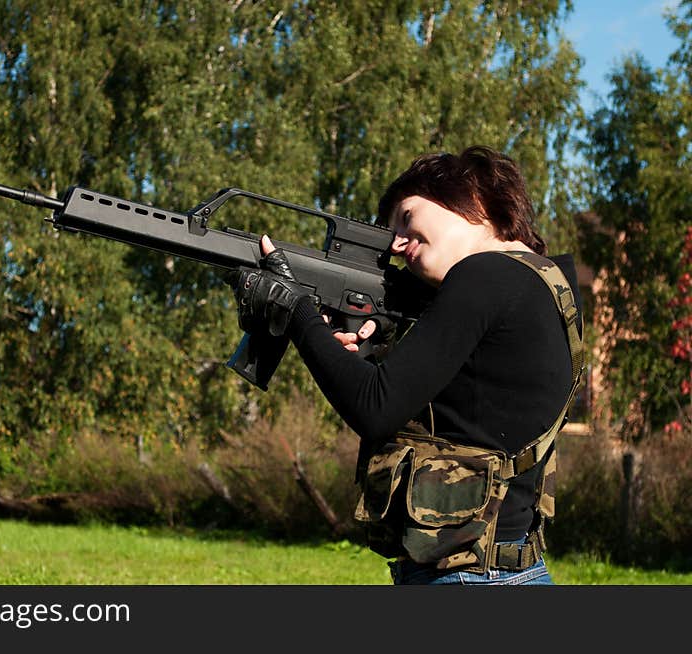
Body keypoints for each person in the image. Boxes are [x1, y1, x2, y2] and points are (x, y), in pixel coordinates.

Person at [229, 145, 583, 585]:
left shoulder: (485, 274)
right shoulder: (546, 285)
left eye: (407, 217)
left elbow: (374, 408)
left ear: (470, 199)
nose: (396, 243)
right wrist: (373, 347)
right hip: (510, 571)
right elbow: (465, 413)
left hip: (469, 581)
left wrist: (296, 309)